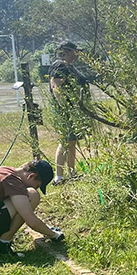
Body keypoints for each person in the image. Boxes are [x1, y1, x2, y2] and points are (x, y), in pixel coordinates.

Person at [0, 160, 65, 256]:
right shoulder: (12, 181)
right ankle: (1, 245)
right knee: (32, 195)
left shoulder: (6, 171)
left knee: (25, 198)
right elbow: (31, 221)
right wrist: (54, 235)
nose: (33, 188)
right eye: (36, 185)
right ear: (31, 176)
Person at [49, 41, 91, 184]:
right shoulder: (60, 65)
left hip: (74, 110)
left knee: (72, 141)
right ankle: (59, 177)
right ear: (67, 51)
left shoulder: (69, 66)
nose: (77, 54)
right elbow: (56, 87)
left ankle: (71, 173)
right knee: (65, 141)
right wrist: (65, 108)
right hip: (66, 111)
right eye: (75, 51)